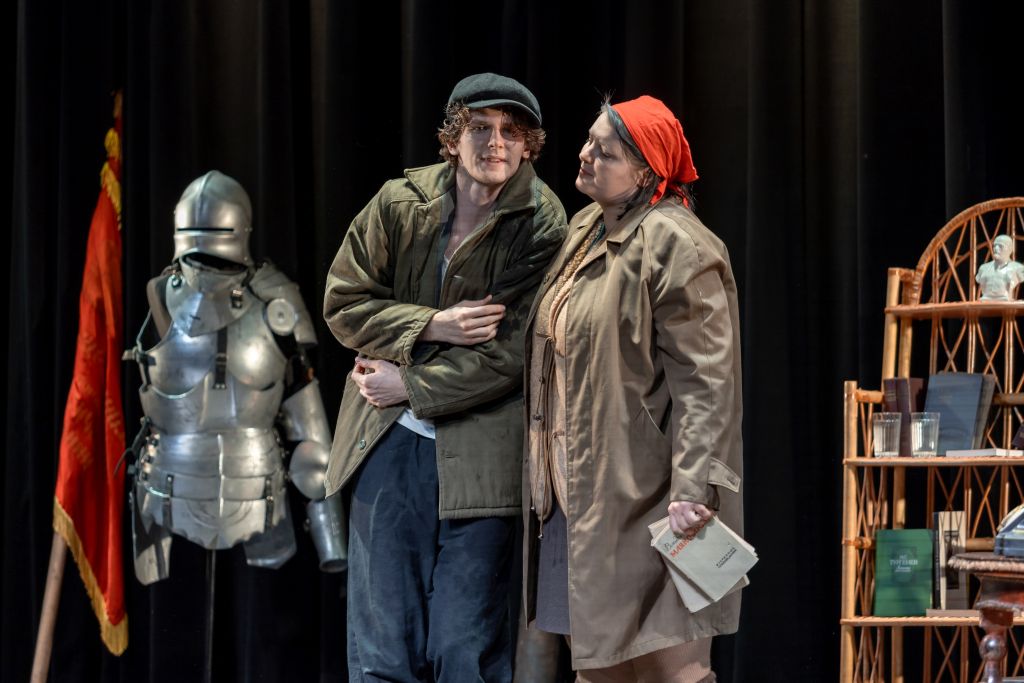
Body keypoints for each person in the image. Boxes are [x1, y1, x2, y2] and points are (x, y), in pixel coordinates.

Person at [323, 73, 567, 682]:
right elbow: (344, 304)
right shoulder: (398, 203)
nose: (495, 143)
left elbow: (514, 352)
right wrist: (432, 324)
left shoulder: (541, 221)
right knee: (382, 648)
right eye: (480, 128)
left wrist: (410, 385)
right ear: (453, 138)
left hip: (482, 455)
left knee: (465, 648)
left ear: (529, 146)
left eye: (511, 132)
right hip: (386, 440)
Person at [522, 95, 744, 682]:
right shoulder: (585, 228)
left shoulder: (678, 243)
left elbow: (707, 381)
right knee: (598, 669)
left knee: (673, 669)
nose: (585, 155)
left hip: (651, 498)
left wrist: (693, 488)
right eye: (589, 140)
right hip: (577, 493)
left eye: (606, 152)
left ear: (646, 172)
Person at [126, 170, 346, 584]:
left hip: (253, 487)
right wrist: (333, 546)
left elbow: (313, 438)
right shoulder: (162, 292)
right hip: (169, 485)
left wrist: (333, 543)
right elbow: (313, 435)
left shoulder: (275, 296)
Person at [976, 234, 1024, 301]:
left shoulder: (1018, 268)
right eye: (994, 245)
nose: (996, 249)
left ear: (1010, 249)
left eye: (1000, 246)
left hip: (1006, 303)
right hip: (985, 302)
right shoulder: (983, 268)